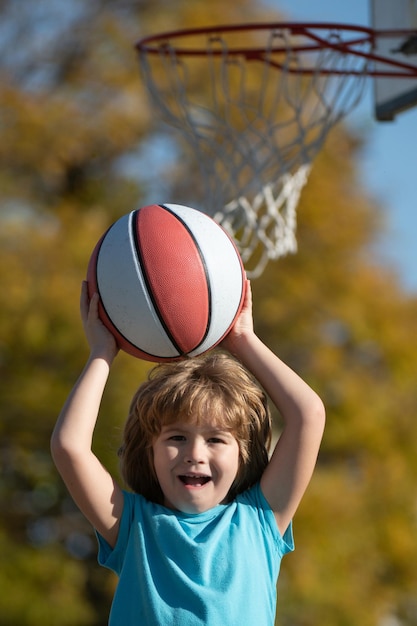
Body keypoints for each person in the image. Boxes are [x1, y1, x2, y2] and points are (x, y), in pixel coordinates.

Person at [51, 279, 325, 626]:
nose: (195, 453)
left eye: (216, 440)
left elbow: (309, 414)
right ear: (148, 452)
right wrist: (101, 353)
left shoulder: (260, 519)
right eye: (177, 438)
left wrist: (242, 340)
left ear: (244, 456)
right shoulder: (132, 524)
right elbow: (69, 446)